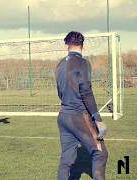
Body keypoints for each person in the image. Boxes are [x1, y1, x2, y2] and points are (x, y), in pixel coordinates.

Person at [55, 31, 108, 180]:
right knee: (100, 153)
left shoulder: (60, 65)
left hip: (63, 116)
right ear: (82, 45)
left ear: (67, 45)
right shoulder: (83, 63)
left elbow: (59, 91)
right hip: (79, 116)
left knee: (66, 160)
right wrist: (97, 118)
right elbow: (86, 91)